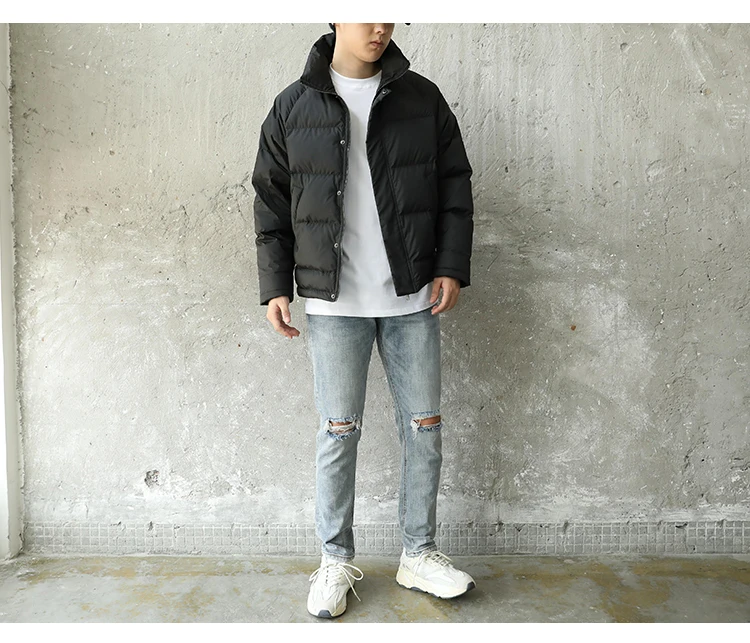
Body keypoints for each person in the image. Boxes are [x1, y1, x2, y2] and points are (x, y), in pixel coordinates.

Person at [252, 22, 476, 619]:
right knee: (337, 433)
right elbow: (271, 201)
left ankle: (418, 553)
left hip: (412, 296)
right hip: (333, 302)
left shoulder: (421, 98)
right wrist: (275, 286)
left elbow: (455, 185)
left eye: (389, 14)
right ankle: (334, 560)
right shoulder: (292, 106)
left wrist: (450, 266)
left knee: (424, 428)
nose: (379, 27)